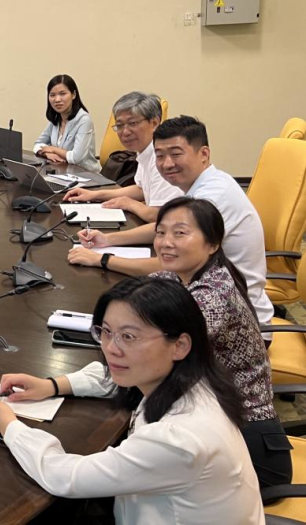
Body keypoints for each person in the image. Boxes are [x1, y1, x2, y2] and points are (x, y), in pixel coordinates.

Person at [0, 278, 264, 524]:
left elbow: (64, 476)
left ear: (179, 345)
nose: (111, 348)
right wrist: (52, 385)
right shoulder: (196, 378)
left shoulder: (178, 439)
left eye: (128, 336)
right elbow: (112, 377)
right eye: (106, 332)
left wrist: (7, 423)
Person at [69, 116, 272, 326]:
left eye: (176, 154)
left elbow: (170, 265)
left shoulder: (211, 198)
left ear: (204, 154)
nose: (167, 164)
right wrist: (108, 240)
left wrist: (102, 260)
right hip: (206, 299)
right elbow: (165, 229)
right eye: (160, 155)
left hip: (236, 319)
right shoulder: (205, 183)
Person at [149, 196, 291, 487]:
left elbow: (155, 354)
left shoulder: (213, 295)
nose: (165, 242)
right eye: (160, 232)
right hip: (214, 425)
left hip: (250, 447)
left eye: (180, 233)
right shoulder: (183, 276)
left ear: (213, 244)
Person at [63, 91, 181, 222]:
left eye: (133, 123)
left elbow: (159, 216)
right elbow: (141, 189)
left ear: (154, 123)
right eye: (119, 126)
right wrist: (94, 195)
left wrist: (129, 203)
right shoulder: (144, 152)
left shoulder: (163, 159)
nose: (125, 132)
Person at [32, 74, 99, 172]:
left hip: (86, 175)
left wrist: (53, 149)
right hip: (63, 173)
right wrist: (46, 153)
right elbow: (37, 144)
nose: (57, 99)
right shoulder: (56, 119)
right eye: (52, 95)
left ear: (73, 94)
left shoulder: (84, 120)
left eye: (62, 94)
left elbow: (76, 158)